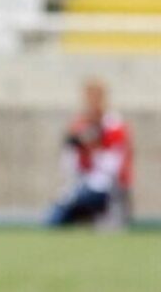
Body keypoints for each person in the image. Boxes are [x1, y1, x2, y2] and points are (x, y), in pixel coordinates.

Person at [47, 78, 133, 228]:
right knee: (55, 218)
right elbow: (69, 161)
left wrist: (93, 150)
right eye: (89, 97)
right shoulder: (80, 125)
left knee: (90, 197)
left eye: (96, 97)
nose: (92, 102)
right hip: (81, 184)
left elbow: (113, 166)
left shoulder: (113, 125)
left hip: (105, 186)